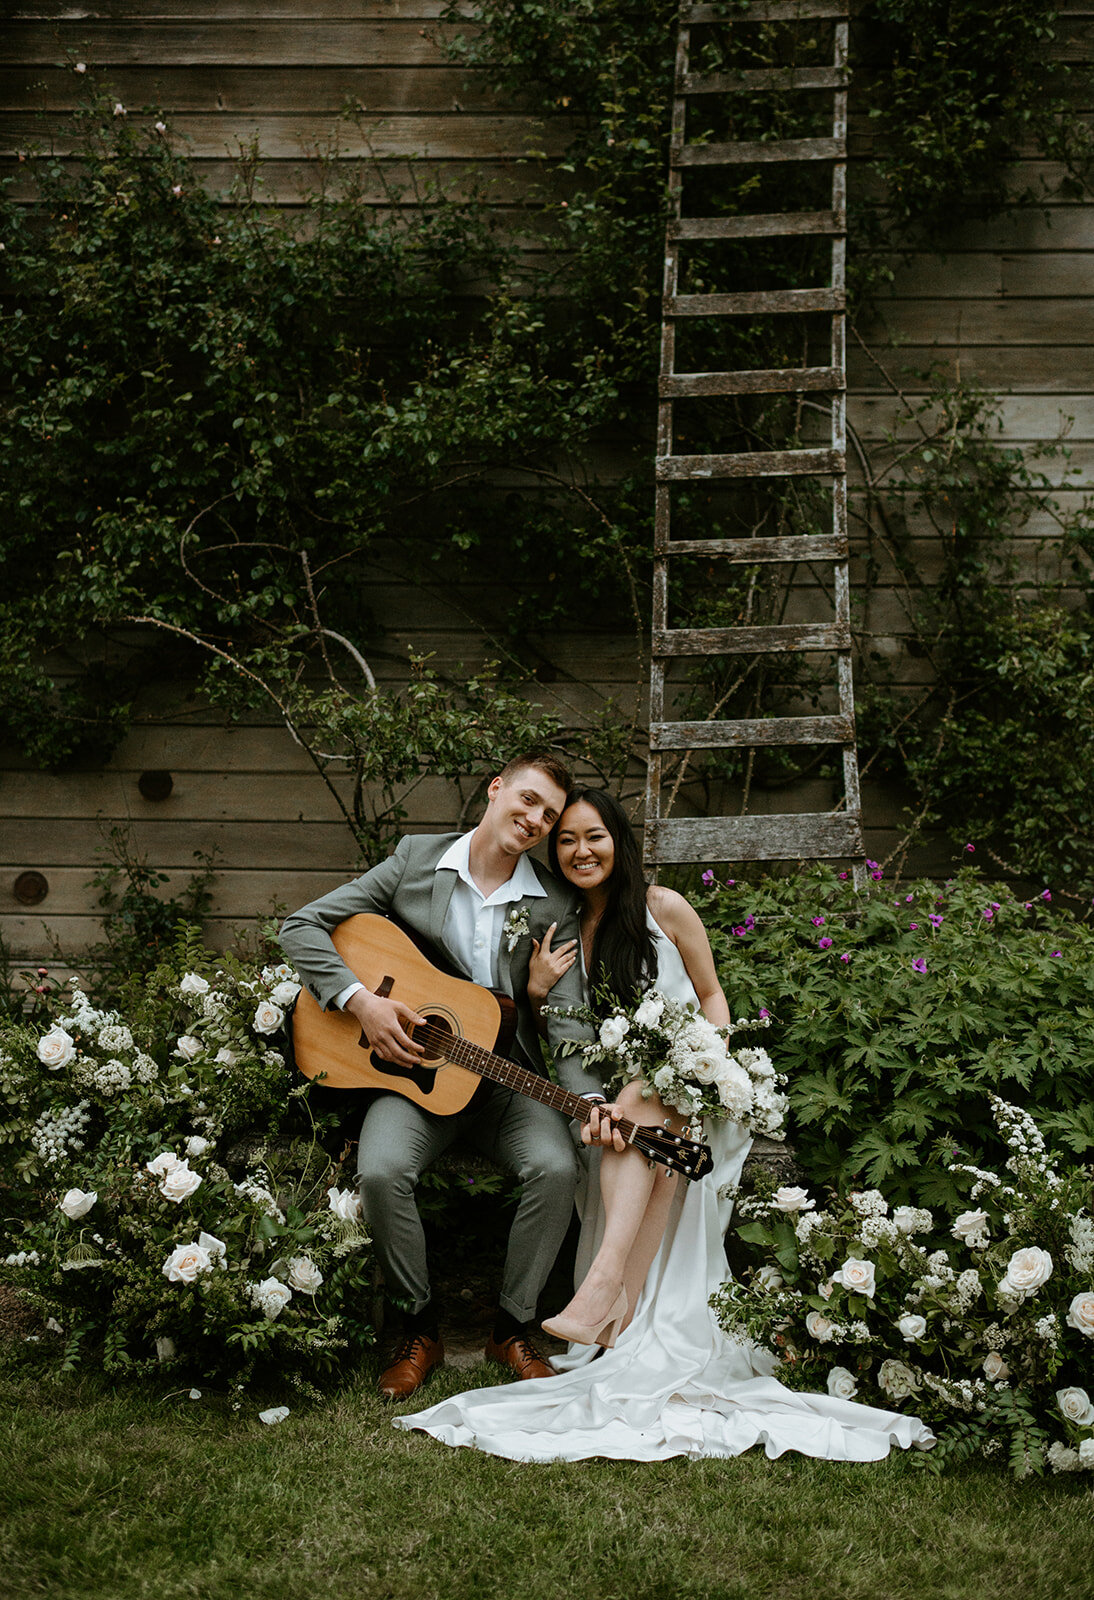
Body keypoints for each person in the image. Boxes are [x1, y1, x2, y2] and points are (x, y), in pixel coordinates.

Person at [394, 789, 935, 1463]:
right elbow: (555, 1043)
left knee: (649, 1104)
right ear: (553, 855)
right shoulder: (558, 929)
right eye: (565, 841)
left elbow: (711, 997)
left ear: (618, 839)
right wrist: (534, 994)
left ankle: (605, 1288)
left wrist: (692, 1062)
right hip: (624, 1106)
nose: (581, 851)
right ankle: (614, 1293)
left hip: (698, 1078)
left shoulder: (664, 907)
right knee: (639, 1122)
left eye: (594, 836)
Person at [279, 753, 600, 1400]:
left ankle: (511, 1326)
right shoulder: (413, 862)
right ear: (496, 788)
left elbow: (568, 1019)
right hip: (414, 1080)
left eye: (550, 814)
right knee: (381, 1170)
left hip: (505, 1082)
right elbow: (302, 924)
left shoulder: (555, 904)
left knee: (558, 1166)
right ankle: (417, 1326)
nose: (536, 819)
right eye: (529, 800)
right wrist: (360, 1002)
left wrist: (586, 1098)